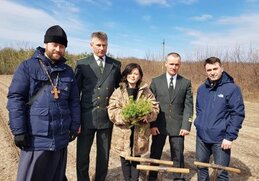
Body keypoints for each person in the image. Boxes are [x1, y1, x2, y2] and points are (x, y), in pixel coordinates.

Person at [7, 25, 81, 181]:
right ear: (46, 44)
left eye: (62, 46)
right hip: (36, 139)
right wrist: (19, 130)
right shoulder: (28, 67)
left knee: (56, 177)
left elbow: (74, 101)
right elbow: (16, 98)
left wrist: (74, 126)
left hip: (60, 139)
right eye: (55, 44)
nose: (58, 49)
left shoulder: (68, 71)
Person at [75, 31, 121, 181]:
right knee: (82, 155)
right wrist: (75, 119)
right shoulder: (82, 64)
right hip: (86, 117)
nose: (102, 48)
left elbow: (119, 90)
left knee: (104, 155)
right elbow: (76, 93)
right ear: (91, 45)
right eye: (98, 45)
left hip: (106, 117)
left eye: (104, 45)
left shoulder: (115, 65)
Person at [194, 57, 245, 180]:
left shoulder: (232, 89)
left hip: (221, 140)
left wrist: (229, 137)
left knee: (221, 172)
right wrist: (200, 125)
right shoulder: (202, 89)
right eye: (209, 70)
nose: (212, 72)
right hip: (201, 137)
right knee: (201, 168)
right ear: (205, 71)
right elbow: (199, 109)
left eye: (215, 68)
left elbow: (238, 114)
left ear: (221, 68)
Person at [107, 63, 160, 181]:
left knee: (136, 158)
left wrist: (147, 115)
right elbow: (112, 111)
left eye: (136, 74)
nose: (132, 76)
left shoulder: (146, 91)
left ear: (140, 76)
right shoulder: (118, 91)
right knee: (125, 159)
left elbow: (155, 108)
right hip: (123, 132)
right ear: (125, 75)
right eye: (130, 73)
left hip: (139, 133)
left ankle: (134, 179)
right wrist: (125, 116)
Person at [149, 52, 193, 181]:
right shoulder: (156, 81)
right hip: (159, 125)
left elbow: (189, 107)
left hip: (178, 127)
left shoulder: (185, 83)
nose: (174, 67)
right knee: (155, 153)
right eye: (171, 64)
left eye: (177, 64)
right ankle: (152, 177)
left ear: (180, 65)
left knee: (178, 155)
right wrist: (152, 125)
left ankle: (178, 178)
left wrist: (186, 125)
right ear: (166, 63)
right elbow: (150, 105)